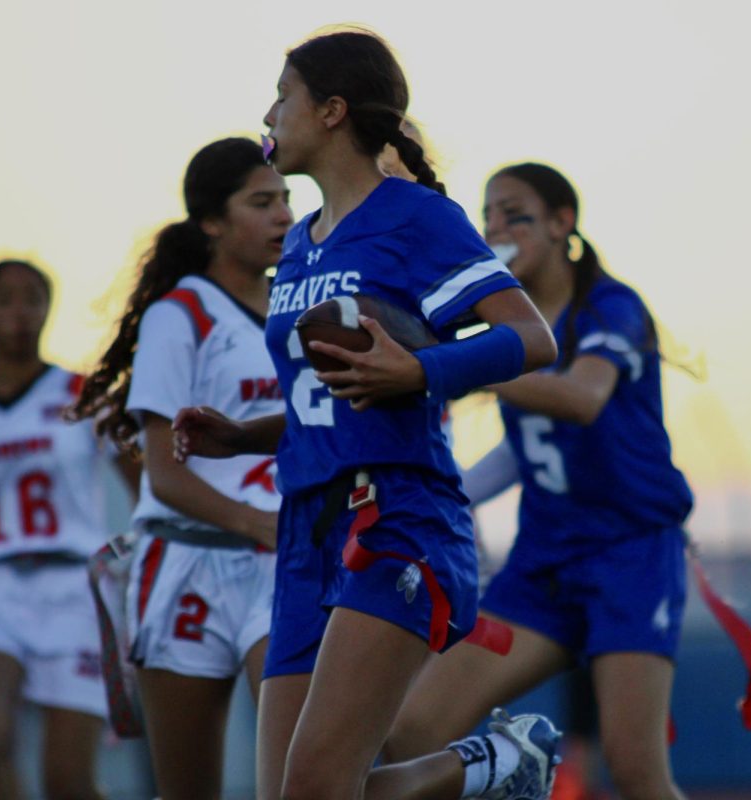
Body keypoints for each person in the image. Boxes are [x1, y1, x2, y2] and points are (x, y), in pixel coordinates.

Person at [171, 28, 562, 800]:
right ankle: (493, 766)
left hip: (397, 516)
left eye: (283, 94)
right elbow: (334, 396)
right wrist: (245, 435)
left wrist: (421, 369)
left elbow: (533, 337)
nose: (270, 112)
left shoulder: (416, 217)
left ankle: (487, 765)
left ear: (331, 111)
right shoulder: (301, 248)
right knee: (296, 795)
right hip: (304, 529)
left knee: (317, 789)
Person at [382, 162, 695, 800]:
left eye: (515, 214)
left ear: (561, 224)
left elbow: (582, 398)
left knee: (635, 772)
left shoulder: (612, 305)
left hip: (630, 556)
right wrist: (445, 491)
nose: (497, 228)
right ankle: (505, 767)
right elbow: (527, 450)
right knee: (410, 731)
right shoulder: (506, 323)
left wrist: (455, 364)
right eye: (489, 215)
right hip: (545, 562)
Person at [68, 136, 292, 800]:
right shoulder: (180, 315)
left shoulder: (302, 306)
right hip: (187, 565)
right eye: (262, 202)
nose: (283, 216)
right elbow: (163, 473)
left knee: (300, 778)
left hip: (282, 563)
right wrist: (257, 521)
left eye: (286, 199)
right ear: (211, 222)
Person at [0, 258, 137, 800]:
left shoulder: (85, 392)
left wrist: (148, 556)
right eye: (4, 299)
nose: (18, 312)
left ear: (47, 309)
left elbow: (144, 480)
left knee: (68, 784)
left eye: (31, 298)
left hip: (71, 587)